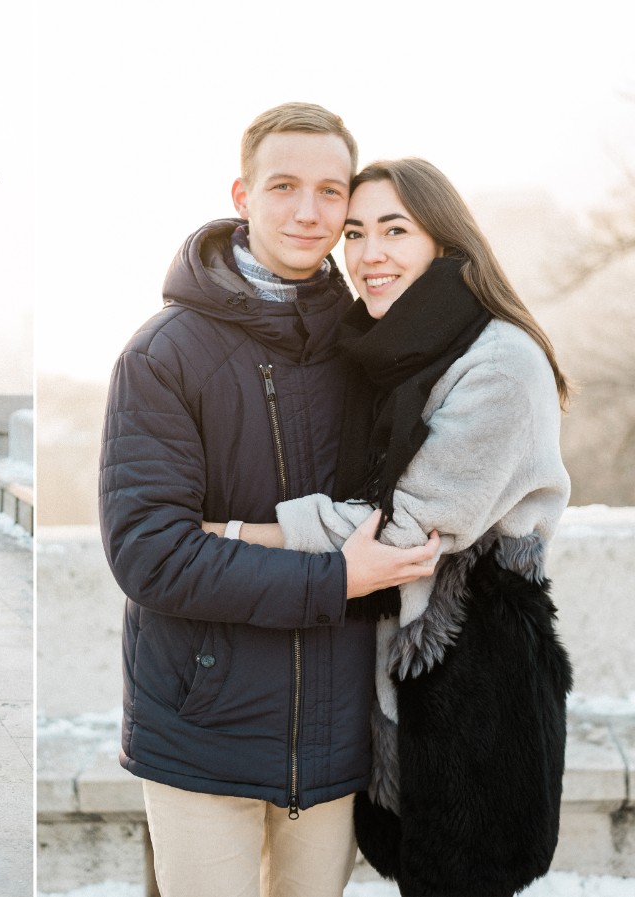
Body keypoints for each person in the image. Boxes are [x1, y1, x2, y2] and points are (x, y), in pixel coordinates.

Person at [204, 158, 572, 897]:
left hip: (475, 661)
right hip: (398, 660)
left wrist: (238, 536)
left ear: (444, 239)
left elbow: (407, 529)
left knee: (465, 870)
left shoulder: (501, 360)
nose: (370, 254)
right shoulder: (393, 351)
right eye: (356, 233)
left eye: (395, 230)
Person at [99, 103, 440, 897]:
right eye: (283, 185)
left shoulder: (373, 348)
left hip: (335, 731)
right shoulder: (164, 353)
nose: (308, 210)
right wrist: (331, 580)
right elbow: (148, 551)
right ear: (242, 194)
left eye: (331, 190)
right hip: (200, 724)